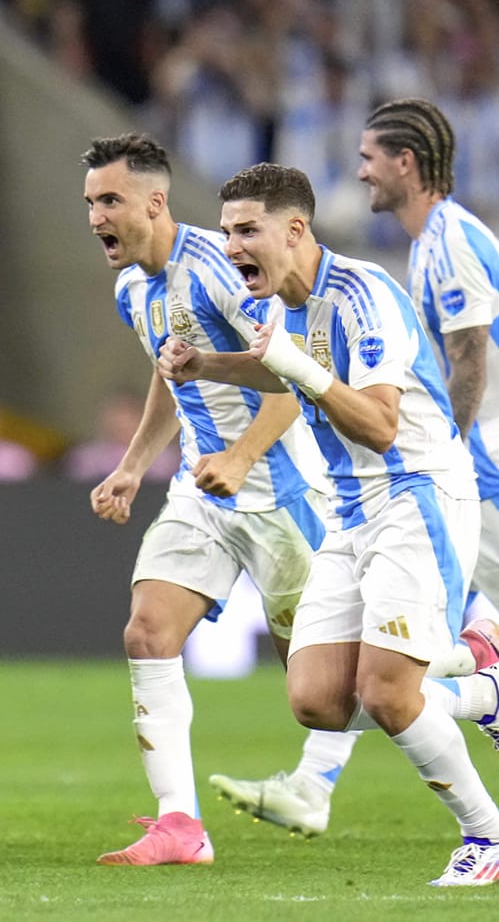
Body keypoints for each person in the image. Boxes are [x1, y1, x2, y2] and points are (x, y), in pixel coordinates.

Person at [158, 163, 499, 886]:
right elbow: (279, 370)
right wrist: (204, 365)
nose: (231, 246)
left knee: (386, 692)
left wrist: (289, 363)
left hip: (417, 495)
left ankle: (485, 837)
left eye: (246, 230)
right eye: (224, 233)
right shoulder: (278, 306)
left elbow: (377, 424)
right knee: (317, 701)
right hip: (350, 513)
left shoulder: (361, 295)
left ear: (294, 229)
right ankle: (482, 687)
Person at [80, 133, 331, 866]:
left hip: (283, 496)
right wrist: (132, 467)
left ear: (153, 202)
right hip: (202, 494)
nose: (95, 216)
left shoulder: (220, 269)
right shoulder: (132, 286)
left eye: (109, 201)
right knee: (146, 633)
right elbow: (171, 373)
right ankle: (178, 826)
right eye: (90, 202)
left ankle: (471, 687)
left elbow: (295, 378)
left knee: (327, 693)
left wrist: (241, 453)